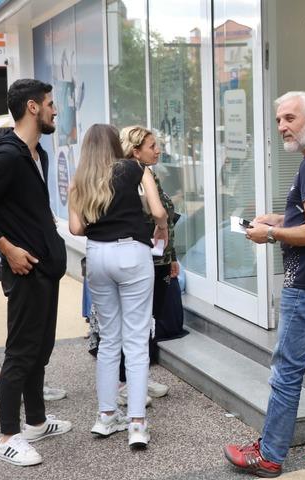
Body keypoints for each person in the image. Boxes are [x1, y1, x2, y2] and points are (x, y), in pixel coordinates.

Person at [223, 91, 305, 477]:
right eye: (279, 120)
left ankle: (270, 454)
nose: (282, 127)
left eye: (290, 118)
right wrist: (280, 218)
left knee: (286, 372)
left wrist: (270, 235)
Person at [0, 79, 72, 467]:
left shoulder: (34, 153)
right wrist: (7, 248)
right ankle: (8, 435)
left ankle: (37, 421)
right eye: (50, 103)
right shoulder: (8, 156)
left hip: (45, 269)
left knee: (40, 350)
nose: (55, 110)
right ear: (32, 107)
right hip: (25, 270)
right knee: (20, 354)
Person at [68, 123, 168, 449]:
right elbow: (157, 211)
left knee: (109, 339)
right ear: (115, 144)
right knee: (136, 340)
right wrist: (160, 230)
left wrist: (102, 224)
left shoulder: (79, 178)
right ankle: (137, 424)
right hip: (132, 253)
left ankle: (106, 416)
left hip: (97, 256)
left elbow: (76, 228)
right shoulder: (134, 168)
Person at [115, 125, 178, 406]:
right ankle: (124, 381)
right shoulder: (131, 178)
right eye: (152, 146)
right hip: (141, 259)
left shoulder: (150, 175)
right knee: (135, 321)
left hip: (160, 259)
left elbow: (165, 221)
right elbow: (157, 215)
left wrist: (172, 257)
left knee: (150, 319)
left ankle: (141, 375)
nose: (159, 150)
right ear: (135, 150)